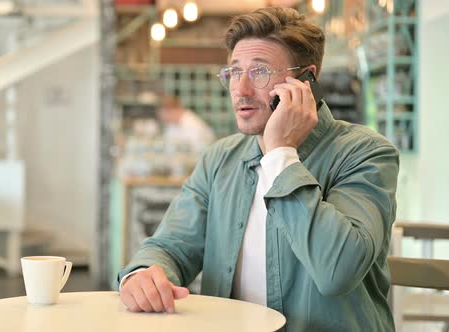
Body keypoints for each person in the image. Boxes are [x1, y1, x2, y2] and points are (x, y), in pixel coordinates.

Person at [117, 6, 398, 332]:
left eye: (259, 72)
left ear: (307, 80)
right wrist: (142, 274)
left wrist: (281, 154)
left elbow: (337, 271)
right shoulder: (220, 159)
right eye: (235, 72)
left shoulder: (365, 153)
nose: (241, 89)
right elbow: (170, 246)